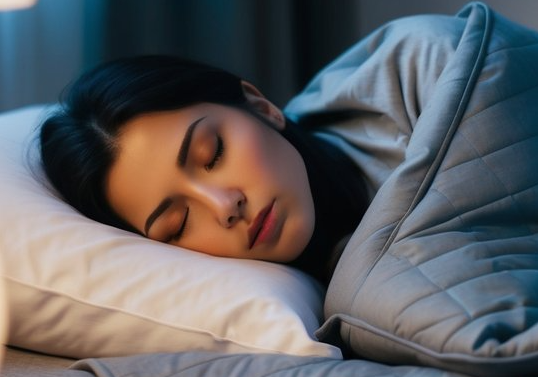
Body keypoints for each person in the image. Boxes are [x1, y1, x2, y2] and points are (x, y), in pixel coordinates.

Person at [39, 55, 370, 282]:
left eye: (213, 154)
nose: (225, 206)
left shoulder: (403, 78)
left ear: (261, 107)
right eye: (178, 225)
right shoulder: (358, 302)